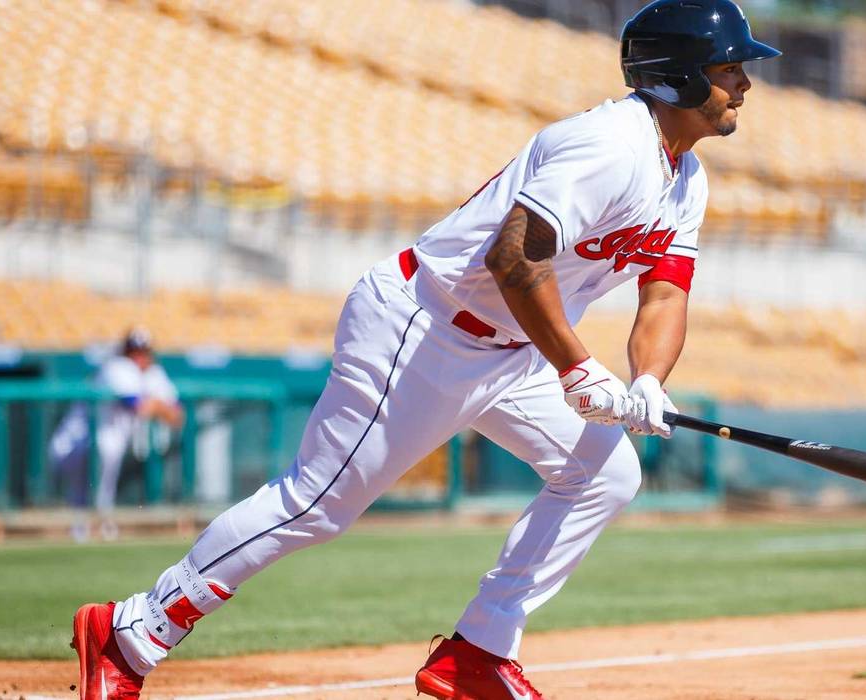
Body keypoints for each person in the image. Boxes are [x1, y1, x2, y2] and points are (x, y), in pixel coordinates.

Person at [69, 2, 779, 697]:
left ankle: (477, 652)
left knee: (604, 476)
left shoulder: (685, 176)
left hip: (511, 350)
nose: (744, 81)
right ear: (677, 75)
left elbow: (664, 293)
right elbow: (512, 259)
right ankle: (133, 629)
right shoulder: (610, 146)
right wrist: (579, 368)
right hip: (426, 324)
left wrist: (648, 380)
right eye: (729, 66)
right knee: (316, 505)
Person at [51, 328, 184, 542]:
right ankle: (84, 529)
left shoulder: (153, 373)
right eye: (133, 351)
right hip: (73, 440)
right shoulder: (117, 367)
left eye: (142, 351)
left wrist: (157, 405)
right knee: (89, 481)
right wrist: (159, 405)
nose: (138, 356)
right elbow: (137, 405)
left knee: (101, 478)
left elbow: (177, 415)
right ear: (125, 352)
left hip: (106, 439)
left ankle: (96, 528)